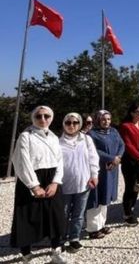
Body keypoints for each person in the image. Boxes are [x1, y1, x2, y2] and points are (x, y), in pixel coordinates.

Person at [11, 106, 67, 263]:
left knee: (55, 215)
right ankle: (26, 254)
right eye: (39, 116)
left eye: (46, 116)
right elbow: (22, 162)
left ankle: (56, 250)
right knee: (28, 215)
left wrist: (56, 182)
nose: (43, 119)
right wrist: (34, 185)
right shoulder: (25, 136)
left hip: (52, 179)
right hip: (31, 179)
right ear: (33, 117)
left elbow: (60, 162)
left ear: (52, 117)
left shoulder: (54, 137)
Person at [59, 112, 99, 253]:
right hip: (64, 185)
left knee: (78, 213)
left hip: (83, 183)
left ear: (79, 124)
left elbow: (93, 159)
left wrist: (94, 175)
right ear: (64, 124)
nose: (71, 125)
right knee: (63, 214)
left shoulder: (86, 140)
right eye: (68, 123)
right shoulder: (58, 142)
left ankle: (74, 238)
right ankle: (61, 239)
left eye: (75, 123)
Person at [86, 110, 124, 239]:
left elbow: (121, 144)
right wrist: (110, 158)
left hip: (111, 169)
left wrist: (118, 157)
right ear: (98, 120)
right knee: (96, 198)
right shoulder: (91, 134)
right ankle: (92, 228)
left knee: (106, 197)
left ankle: (101, 224)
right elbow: (94, 151)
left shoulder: (113, 131)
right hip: (99, 170)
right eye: (103, 119)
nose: (106, 121)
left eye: (108, 119)